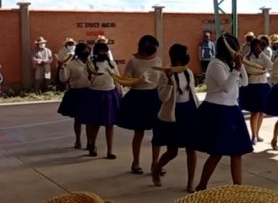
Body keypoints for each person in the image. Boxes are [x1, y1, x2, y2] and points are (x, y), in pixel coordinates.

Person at [193, 34, 253, 190]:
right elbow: (227, 87)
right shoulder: (216, 64)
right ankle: (202, 185)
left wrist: (241, 65)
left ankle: (238, 188)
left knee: (237, 151)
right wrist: (237, 68)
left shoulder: (230, 64)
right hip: (217, 110)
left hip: (232, 109)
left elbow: (245, 83)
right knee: (217, 151)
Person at [152, 44, 199, 191]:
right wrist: (170, 83)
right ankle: (156, 168)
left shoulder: (188, 73)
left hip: (188, 112)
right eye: (184, 53)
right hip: (172, 115)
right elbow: (163, 97)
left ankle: (190, 182)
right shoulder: (165, 74)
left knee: (192, 149)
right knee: (172, 151)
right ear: (177, 56)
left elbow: (192, 93)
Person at [118, 35, 161, 175]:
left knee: (158, 133)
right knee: (139, 132)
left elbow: (160, 80)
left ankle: (156, 163)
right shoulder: (133, 61)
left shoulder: (158, 60)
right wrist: (138, 80)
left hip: (154, 97)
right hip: (138, 98)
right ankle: (135, 162)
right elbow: (125, 80)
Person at [77, 42, 121, 159]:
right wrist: (90, 76)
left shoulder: (111, 64)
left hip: (109, 94)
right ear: (96, 52)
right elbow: (85, 80)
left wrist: (120, 92)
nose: (103, 53)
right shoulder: (90, 64)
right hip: (95, 95)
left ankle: (110, 150)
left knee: (109, 124)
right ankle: (92, 145)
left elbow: (117, 78)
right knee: (94, 123)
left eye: (105, 50)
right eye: (101, 51)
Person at [57, 43, 92, 149]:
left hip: (89, 92)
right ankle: (78, 140)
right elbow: (64, 79)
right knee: (78, 119)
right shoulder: (71, 64)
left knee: (89, 119)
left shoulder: (91, 63)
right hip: (77, 93)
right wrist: (62, 68)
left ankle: (90, 142)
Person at [239, 38, 273, 144]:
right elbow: (247, 70)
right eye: (256, 46)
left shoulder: (264, 57)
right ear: (252, 47)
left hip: (262, 86)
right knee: (254, 112)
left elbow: (271, 66)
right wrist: (260, 69)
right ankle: (253, 135)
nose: (258, 48)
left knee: (261, 112)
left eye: (260, 46)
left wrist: (261, 54)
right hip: (252, 87)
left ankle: (257, 134)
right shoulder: (247, 58)